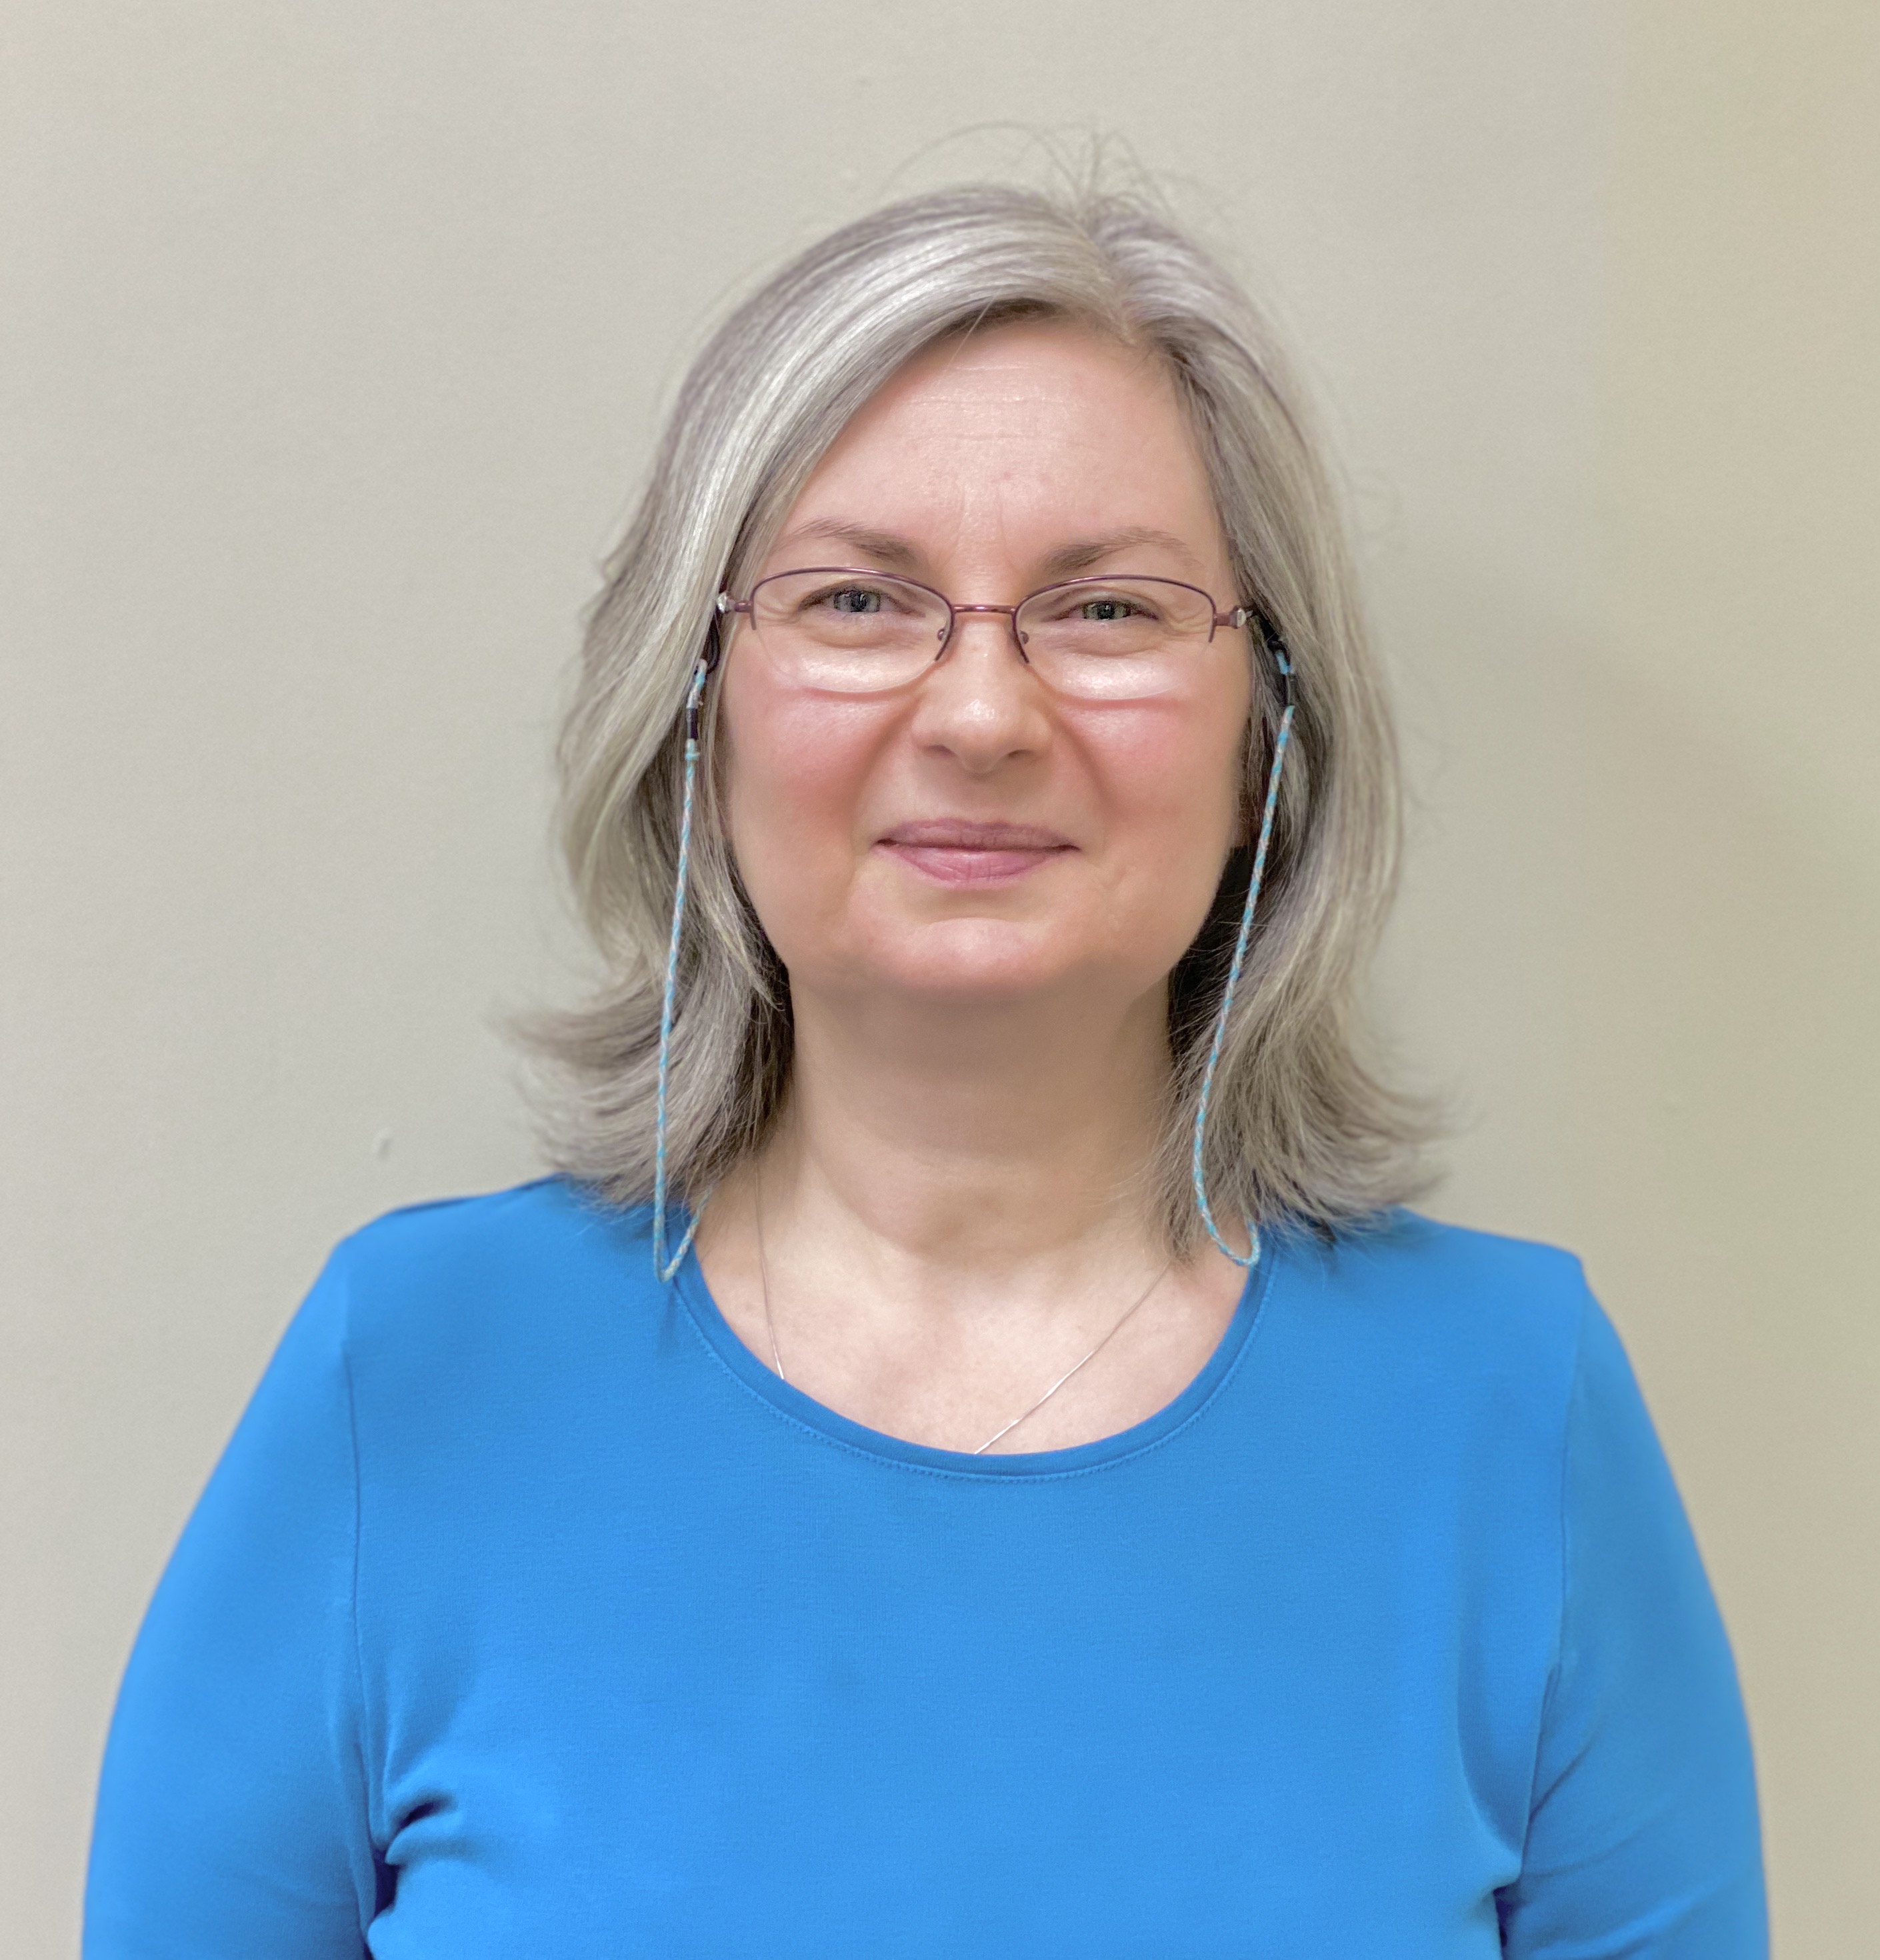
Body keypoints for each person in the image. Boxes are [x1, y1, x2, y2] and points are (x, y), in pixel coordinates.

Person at [84, 182, 1767, 1957]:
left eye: (1106, 610)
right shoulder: (412, 1375)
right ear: (696, 709)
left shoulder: (1513, 1408)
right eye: (857, 600)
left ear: (1264, 730)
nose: (979, 716)